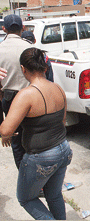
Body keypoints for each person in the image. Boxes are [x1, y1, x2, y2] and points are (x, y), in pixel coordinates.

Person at [0, 47, 72, 219]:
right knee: (54, 195)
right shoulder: (58, 89)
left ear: (23, 69)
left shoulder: (26, 95)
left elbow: (5, 130)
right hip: (63, 149)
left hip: (42, 156)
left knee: (26, 198)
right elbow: (62, 121)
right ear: (45, 67)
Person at [0, 14, 32, 168]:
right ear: (23, 28)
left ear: (4, 28)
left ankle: (24, 177)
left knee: (17, 141)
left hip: (10, 100)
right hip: (31, 100)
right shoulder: (30, 47)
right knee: (33, 138)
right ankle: (38, 179)